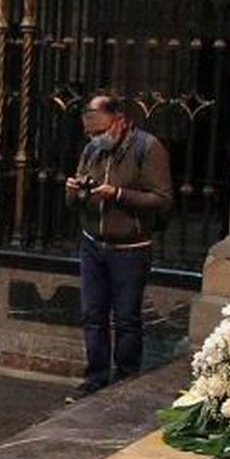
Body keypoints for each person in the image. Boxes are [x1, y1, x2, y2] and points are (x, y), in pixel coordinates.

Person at [64, 92, 173, 398]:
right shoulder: (91, 151)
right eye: (89, 132)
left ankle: (125, 378)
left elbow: (162, 199)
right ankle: (96, 374)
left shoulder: (148, 148)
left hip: (130, 247)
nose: (95, 138)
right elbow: (76, 199)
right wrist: (74, 190)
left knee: (126, 317)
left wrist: (119, 194)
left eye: (100, 131)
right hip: (93, 243)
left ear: (120, 121)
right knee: (92, 314)